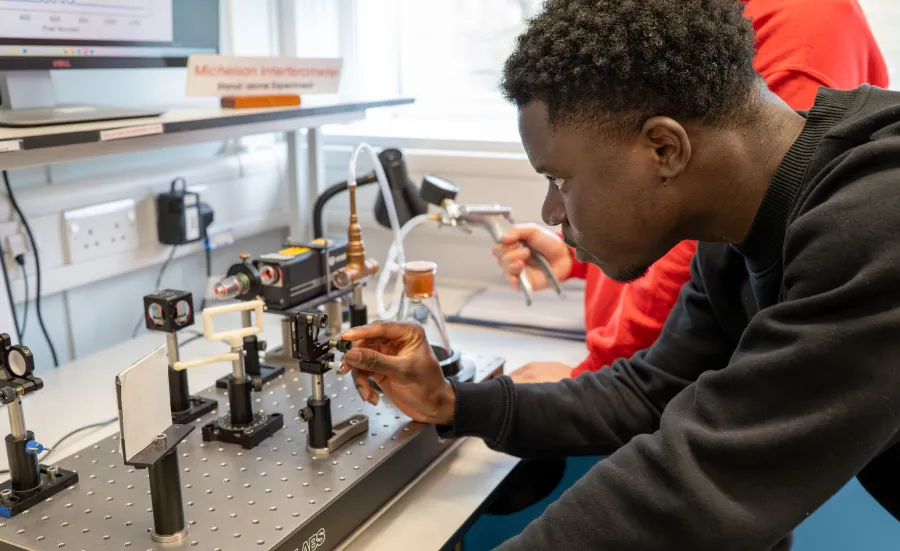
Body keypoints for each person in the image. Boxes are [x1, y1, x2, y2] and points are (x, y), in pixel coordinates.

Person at [338, 0, 900, 548]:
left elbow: (698, 487)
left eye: (559, 179)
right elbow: (649, 392)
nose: (550, 213)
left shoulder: (873, 223)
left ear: (664, 147)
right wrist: (454, 404)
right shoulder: (735, 233)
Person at [495, 0, 889, 384]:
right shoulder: (718, 242)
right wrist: (581, 255)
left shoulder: (803, 25)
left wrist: (601, 363)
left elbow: (698, 194)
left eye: (559, 181)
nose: (550, 211)